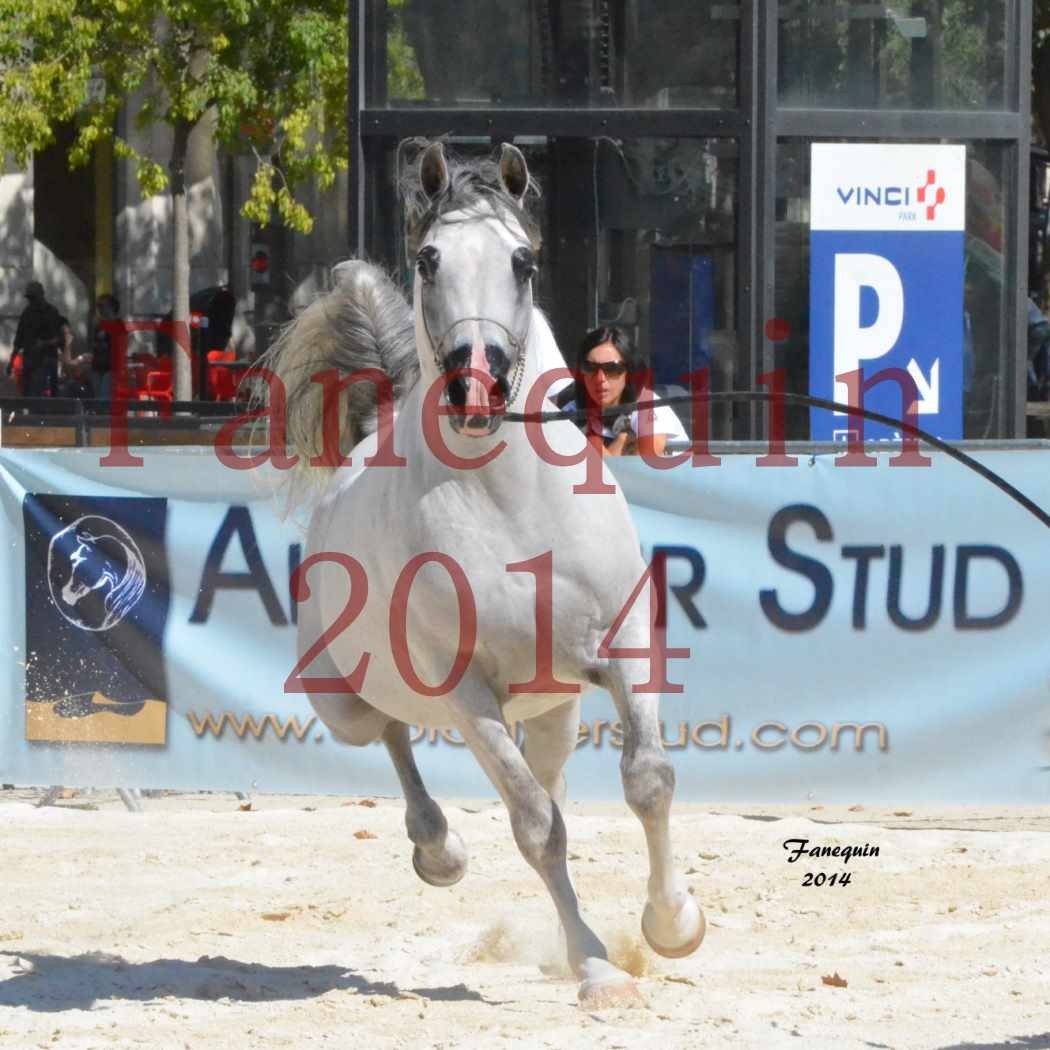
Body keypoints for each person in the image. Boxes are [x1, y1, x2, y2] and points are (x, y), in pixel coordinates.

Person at [558, 325, 688, 456]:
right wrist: (618, 441)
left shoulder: (647, 405)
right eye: (590, 367)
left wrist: (589, 443)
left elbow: (641, 468)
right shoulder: (572, 412)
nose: (600, 378)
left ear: (629, 372)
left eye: (612, 368)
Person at [8, 281, 69, 397]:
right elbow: (19, 338)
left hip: (46, 359)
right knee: (27, 392)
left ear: (41, 295)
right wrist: (11, 361)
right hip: (29, 359)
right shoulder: (27, 312)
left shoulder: (52, 312)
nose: (31, 301)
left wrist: (44, 344)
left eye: (33, 297)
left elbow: (59, 338)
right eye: (29, 298)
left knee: (42, 393)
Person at [88, 293, 121, 400]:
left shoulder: (118, 324)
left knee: (105, 396)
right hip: (97, 366)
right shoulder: (99, 325)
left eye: (102, 306)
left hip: (111, 368)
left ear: (111, 307)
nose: (100, 309)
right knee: (97, 396)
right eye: (98, 306)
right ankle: (99, 415)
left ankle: (105, 415)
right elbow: (93, 343)